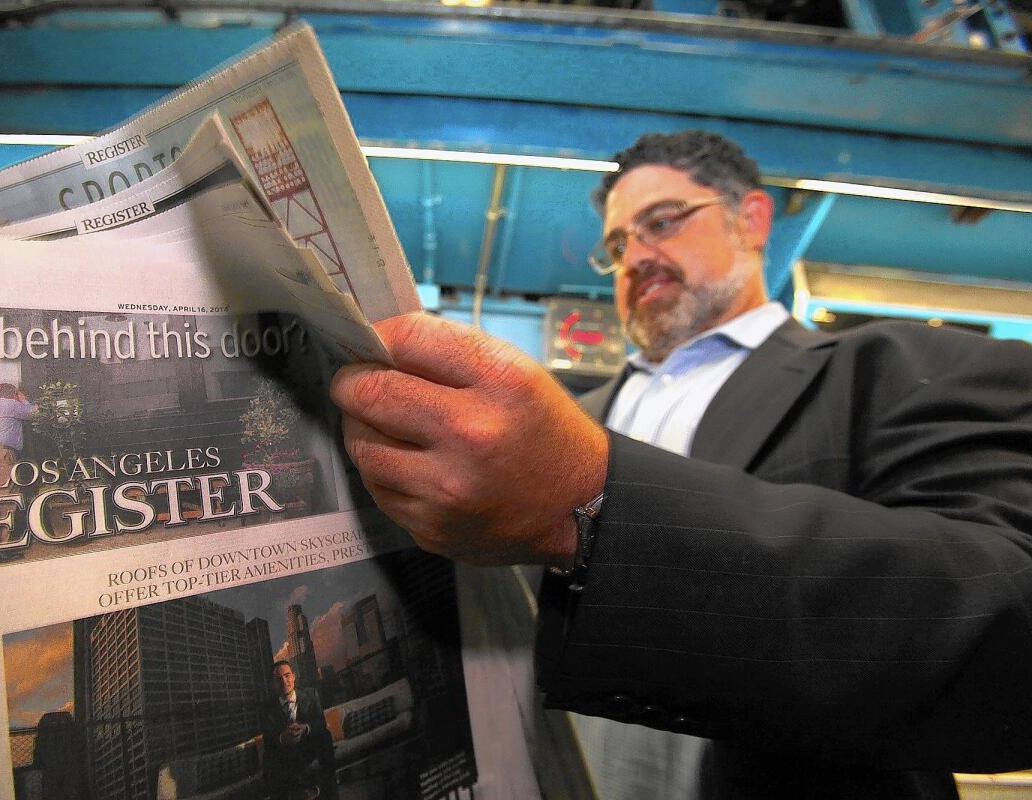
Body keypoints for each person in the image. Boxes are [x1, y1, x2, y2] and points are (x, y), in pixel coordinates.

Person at [330, 130, 1032, 798]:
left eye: (662, 222)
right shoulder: (562, 413)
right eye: (617, 245)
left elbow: (1007, 637)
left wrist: (589, 504)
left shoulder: (908, 370)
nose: (635, 257)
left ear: (751, 220)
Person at [260, 660, 337, 800]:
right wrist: (282, 737)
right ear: (273, 684)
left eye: (287, 675)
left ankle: (327, 790)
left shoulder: (311, 694)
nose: (284, 681)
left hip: (308, 746)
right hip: (285, 753)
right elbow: (268, 740)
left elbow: (320, 722)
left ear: (294, 677)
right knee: (268, 756)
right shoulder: (267, 708)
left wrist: (305, 728)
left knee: (325, 735)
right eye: (278, 679)